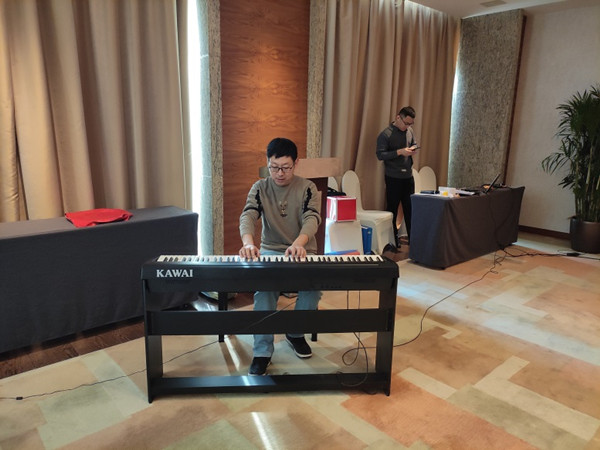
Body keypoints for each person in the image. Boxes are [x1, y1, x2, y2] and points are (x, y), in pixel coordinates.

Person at [239, 137, 322, 376]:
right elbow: (248, 215)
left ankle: (295, 333)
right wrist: (248, 243)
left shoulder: (307, 187)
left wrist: (298, 244)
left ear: (296, 163)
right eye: (274, 167)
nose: (279, 173)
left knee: (313, 289)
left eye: (285, 167)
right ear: (267, 163)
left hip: (303, 249)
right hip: (271, 249)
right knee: (264, 291)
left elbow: (312, 218)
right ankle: (262, 351)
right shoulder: (260, 187)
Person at [376, 106, 418, 247]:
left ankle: (413, 240)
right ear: (398, 117)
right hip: (393, 177)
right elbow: (380, 155)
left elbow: (414, 143)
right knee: (392, 209)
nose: (408, 126)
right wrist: (400, 152)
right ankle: (392, 241)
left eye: (410, 124)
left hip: (408, 177)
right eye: (406, 123)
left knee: (410, 209)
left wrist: (413, 149)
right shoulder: (385, 134)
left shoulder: (410, 131)